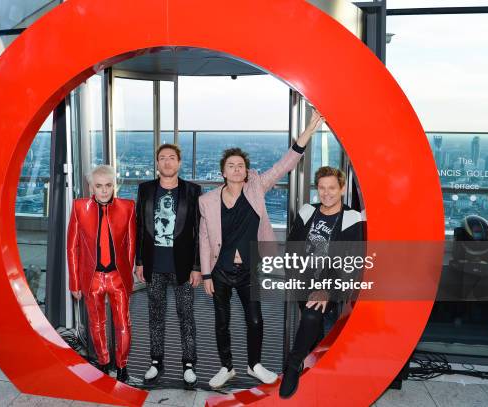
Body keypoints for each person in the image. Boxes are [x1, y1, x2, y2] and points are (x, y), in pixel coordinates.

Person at [199, 110, 324, 389]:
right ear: (223, 172)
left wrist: (310, 128)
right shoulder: (207, 200)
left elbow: (286, 163)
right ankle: (226, 366)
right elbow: (204, 239)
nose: (236, 169)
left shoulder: (256, 187)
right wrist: (206, 275)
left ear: (246, 171)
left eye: (241, 165)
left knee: (255, 319)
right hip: (219, 270)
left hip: (249, 269)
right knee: (222, 322)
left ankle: (254, 364)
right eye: (231, 165)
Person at [279, 166, 364, 399]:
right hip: (303, 283)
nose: (326, 193)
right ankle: (314, 383)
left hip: (331, 287)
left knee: (312, 318)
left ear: (342, 189)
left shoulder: (352, 219)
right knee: (314, 336)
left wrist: (327, 290)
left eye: (332, 188)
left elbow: (352, 264)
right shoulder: (308, 211)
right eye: (322, 188)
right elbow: (292, 249)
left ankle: (293, 364)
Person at [135, 144, 202, 388]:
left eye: (171, 158)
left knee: (187, 316)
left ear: (179, 162)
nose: (167, 162)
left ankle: (189, 364)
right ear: (157, 163)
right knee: (155, 316)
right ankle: (156, 361)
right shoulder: (145, 190)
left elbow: (197, 231)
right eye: (162, 158)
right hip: (154, 265)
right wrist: (139, 261)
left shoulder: (192, 191)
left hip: (183, 266)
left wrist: (197, 266)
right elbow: (140, 227)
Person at [67, 165, 135, 383]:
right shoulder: (79, 207)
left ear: (114, 185)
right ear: (91, 187)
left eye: (108, 185)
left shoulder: (128, 207)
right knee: (96, 324)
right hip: (92, 278)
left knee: (123, 323)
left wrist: (128, 275)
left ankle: (122, 367)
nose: (104, 191)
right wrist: (75, 282)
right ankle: (104, 364)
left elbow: (132, 244)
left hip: (118, 277)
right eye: (99, 186)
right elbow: (72, 247)